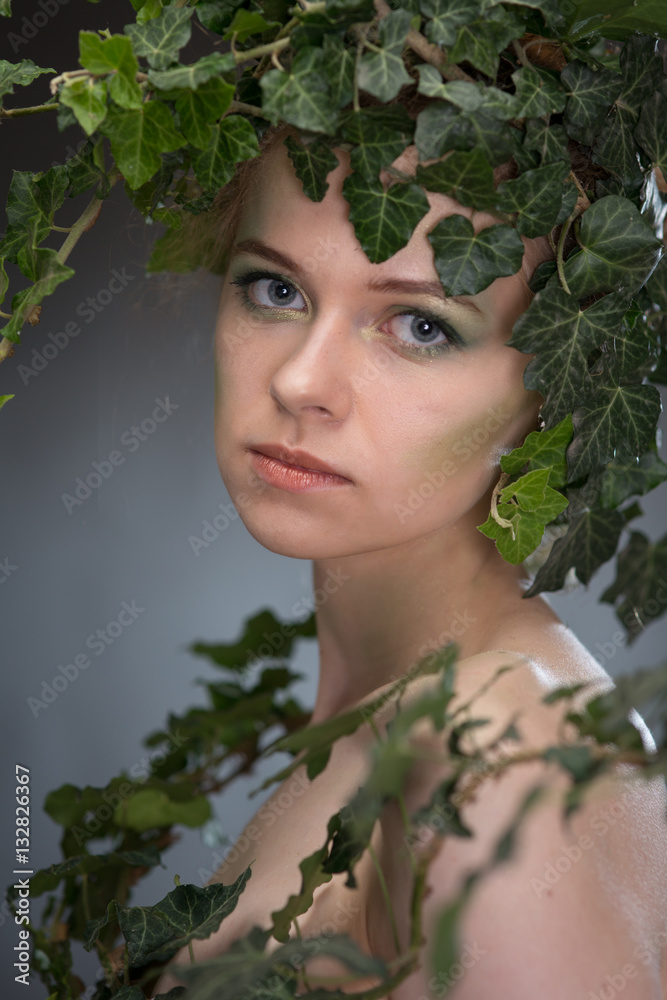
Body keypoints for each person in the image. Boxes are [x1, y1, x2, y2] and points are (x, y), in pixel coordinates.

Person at [153, 121, 667, 999]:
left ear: (563, 381)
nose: (299, 382)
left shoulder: (495, 750)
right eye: (275, 289)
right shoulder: (408, 717)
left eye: (422, 326)